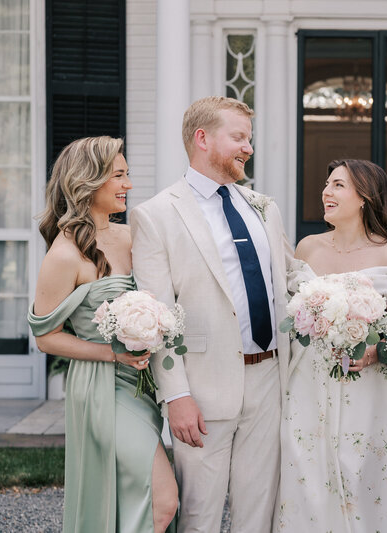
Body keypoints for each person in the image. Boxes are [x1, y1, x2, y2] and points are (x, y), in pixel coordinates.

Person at [130, 96, 293, 532]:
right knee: (199, 518)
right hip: (202, 389)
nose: (248, 148)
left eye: (249, 139)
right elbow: (157, 315)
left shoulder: (263, 206)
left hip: (270, 379)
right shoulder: (156, 215)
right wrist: (176, 395)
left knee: (258, 515)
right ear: (202, 139)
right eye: (239, 138)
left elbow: (291, 276)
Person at [28, 136, 178, 533]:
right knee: (163, 501)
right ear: (88, 181)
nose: (128, 184)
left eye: (128, 174)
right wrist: (113, 354)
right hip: (102, 388)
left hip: (143, 385)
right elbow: (45, 337)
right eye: (118, 176)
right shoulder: (65, 254)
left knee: (133, 495)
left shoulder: (131, 236)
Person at [275, 159, 387, 532]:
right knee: (308, 477)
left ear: (364, 197)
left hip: (366, 385)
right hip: (309, 382)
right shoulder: (307, 248)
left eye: (338, 185)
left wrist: (375, 352)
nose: (326, 192)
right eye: (327, 184)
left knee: (365, 478)